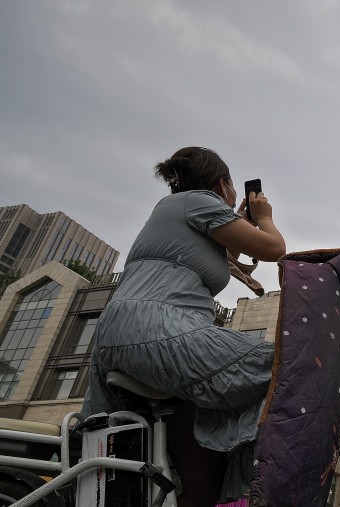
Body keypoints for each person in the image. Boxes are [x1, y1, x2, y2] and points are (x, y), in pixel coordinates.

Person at [81, 146, 286, 506]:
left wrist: (236, 222)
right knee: (283, 363)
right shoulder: (198, 202)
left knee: (203, 474)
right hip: (156, 326)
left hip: (128, 332)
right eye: (233, 185)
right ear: (223, 186)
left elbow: (224, 259)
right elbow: (274, 249)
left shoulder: (181, 212)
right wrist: (264, 216)